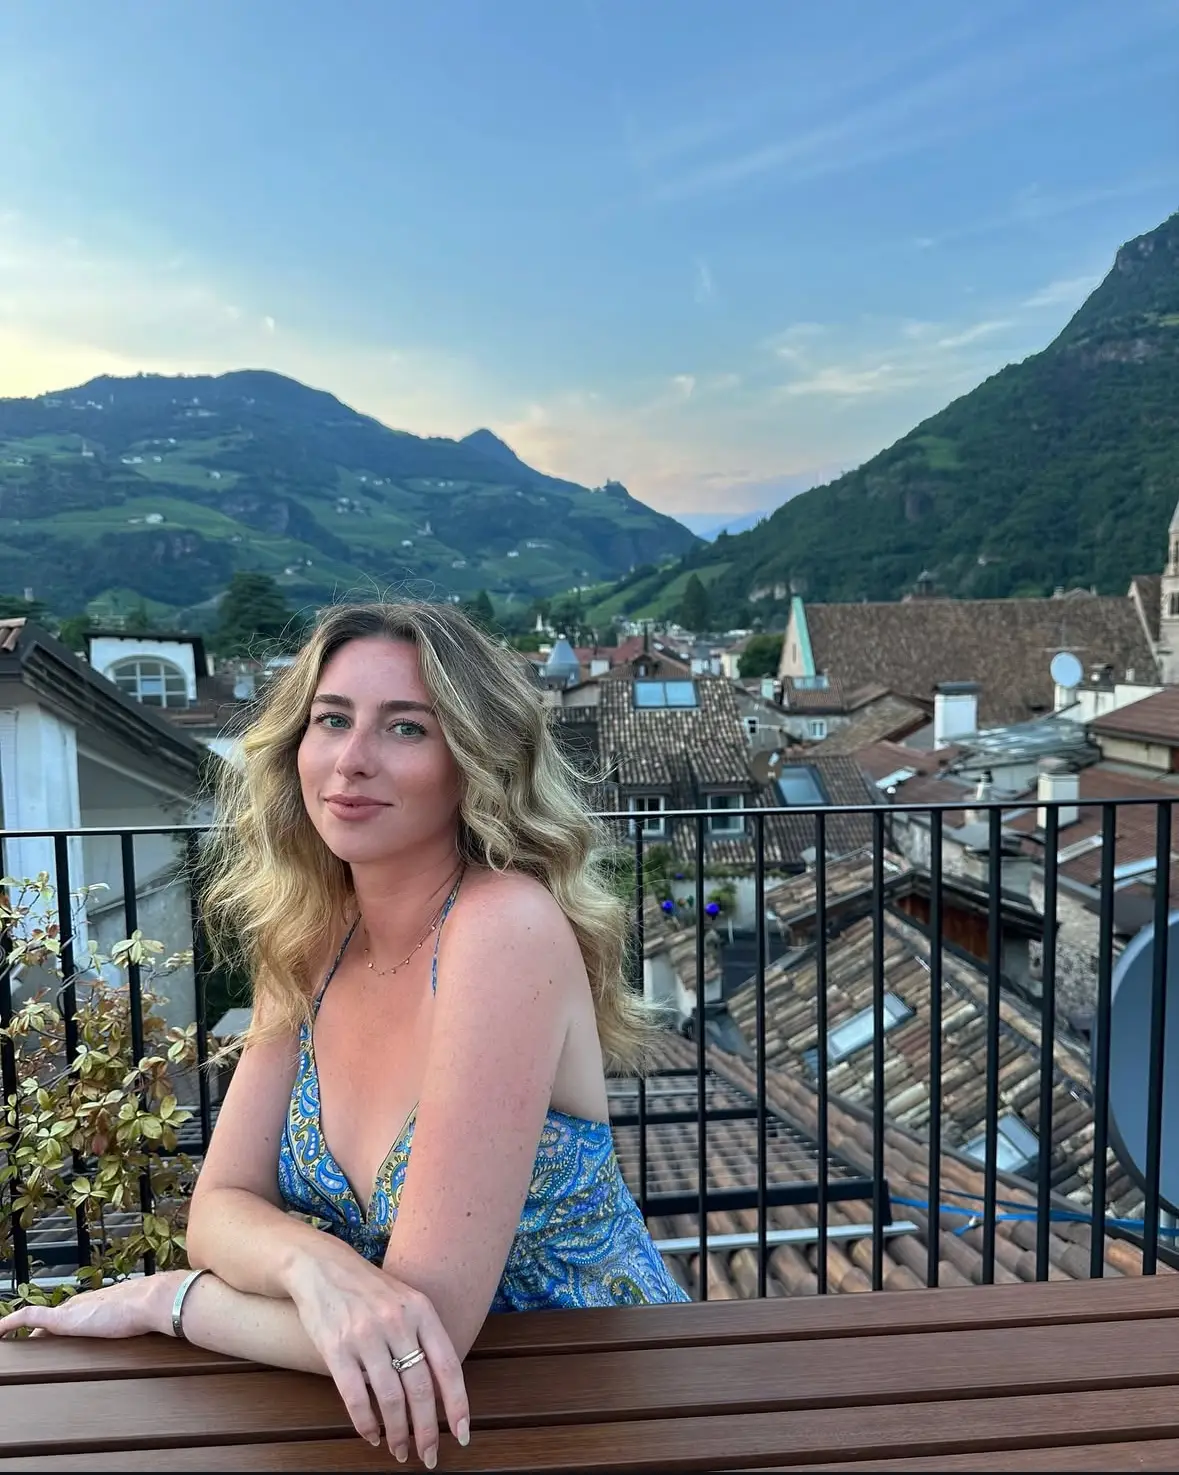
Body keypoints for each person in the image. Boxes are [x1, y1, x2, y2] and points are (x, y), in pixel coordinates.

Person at [0, 600, 689, 1467]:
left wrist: (170, 1300)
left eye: (405, 728)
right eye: (331, 720)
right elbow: (218, 1210)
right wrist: (311, 1266)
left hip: (596, 1405)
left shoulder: (503, 928)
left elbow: (424, 1320)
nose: (351, 761)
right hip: (406, 1422)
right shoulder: (310, 939)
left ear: (470, 762)